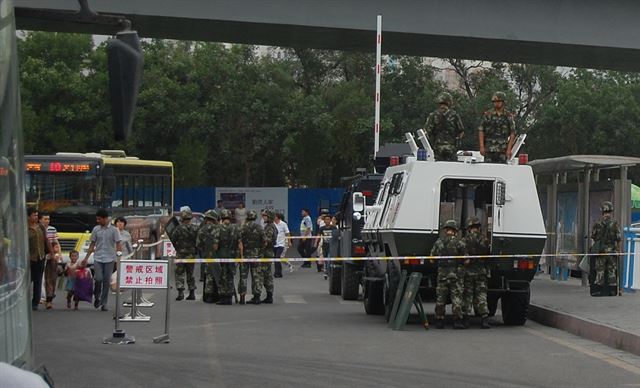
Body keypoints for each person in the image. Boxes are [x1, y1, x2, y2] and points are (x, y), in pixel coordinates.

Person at [80, 209, 123, 311]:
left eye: (100, 219)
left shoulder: (114, 230)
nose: (98, 221)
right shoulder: (96, 229)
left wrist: (118, 258)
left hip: (110, 258)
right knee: (98, 278)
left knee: (107, 281)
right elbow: (92, 244)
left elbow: (118, 244)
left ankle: (104, 302)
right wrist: (86, 258)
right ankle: (97, 295)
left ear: (105, 218)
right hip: (98, 257)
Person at [431, 219, 466, 329]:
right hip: (455, 275)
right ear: (455, 230)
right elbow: (466, 260)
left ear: (446, 230)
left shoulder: (439, 242)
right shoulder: (459, 243)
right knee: (456, 298)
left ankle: (439, 320)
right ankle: (457, 321)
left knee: (441, 298)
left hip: (442, 275)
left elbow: (432, 258)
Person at [462, 217, 491, 329]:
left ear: (469, 228)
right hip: (481, 271)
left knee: (468, 295)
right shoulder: (485, 240)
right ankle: (484, 319)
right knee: (481, 295)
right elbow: (488, 255)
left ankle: (466, 320)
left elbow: (462, 255)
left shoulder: (465, 240)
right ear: (479, 227)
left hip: (469, 271)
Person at [591, 201, 622, 296]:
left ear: (602, 211)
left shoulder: (598, 223)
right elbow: (619, 238)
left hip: (601, 251)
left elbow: (593, 236)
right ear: (611, 210)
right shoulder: (615, 223)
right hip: (612, 251)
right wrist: (618, 250)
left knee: (600, 270)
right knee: (612, 270)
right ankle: (612, 291)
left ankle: (598, 291)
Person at [424, 92, 465, 161]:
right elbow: (461, 131)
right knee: (451, 167)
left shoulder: (433, 115)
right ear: (449, 102)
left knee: (439, 167)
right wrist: (457, 141)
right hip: (451, 147)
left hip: (438, 147)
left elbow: (427, 131)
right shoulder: (454, 115)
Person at [478, 91, 516, 163]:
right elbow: (481, 130)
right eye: (494, 101)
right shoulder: (488, 115)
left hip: (502, 149)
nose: (496, 103)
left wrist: (509, 149)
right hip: (489, 148)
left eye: (498, 101)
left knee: (501, 171)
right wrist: (482, 146)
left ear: (503, 102)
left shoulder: (508, 116)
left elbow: (512, 133)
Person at [27, 208, 53, 311]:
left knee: (38, 280)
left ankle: (35, 302)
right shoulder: (24, 228)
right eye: (34, 215)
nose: (36, 217)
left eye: (37, 215)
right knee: (28, 280)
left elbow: (46, 240)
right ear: (29, 217)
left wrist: (51, 252)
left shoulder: (41, 227)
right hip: (28, 258)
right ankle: (24, 300)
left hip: (40, 257)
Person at [170, 208, 198, 301]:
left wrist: (178, 247)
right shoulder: (195, 228)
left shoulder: (178, 228)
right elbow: (198, 241)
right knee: (191, 273)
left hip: (181, 254)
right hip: (191, 254)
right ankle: (192, 293)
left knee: (179, 273)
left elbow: (173, 240)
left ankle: (181, 293)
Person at [213, 209, 240, 305]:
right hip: (232, 255)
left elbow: (215, 245)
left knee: (223, 276)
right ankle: (230, 296)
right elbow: (239, 242)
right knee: (230, 275)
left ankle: (224, 297)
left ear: (222, 218)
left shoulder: (218, 228)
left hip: (222, 255)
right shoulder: (236, 228)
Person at [239, 210, 266, 305]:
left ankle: (242, 297)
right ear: (255, 217)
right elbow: (265, 242)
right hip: (256, 255)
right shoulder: (259, 227)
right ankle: (257, 297)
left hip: (245, 255)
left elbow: (239, 242)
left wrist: (241, 255)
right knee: (256, 276)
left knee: (243, 277)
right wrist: (260, 251)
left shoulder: (243, 227)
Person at [198, 210, 220, 303]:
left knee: (208, 275)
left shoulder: (202, 229)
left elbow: (198, 244)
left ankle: (208, 296)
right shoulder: (219, 228)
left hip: (207, 255)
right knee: (218, 274)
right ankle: (218, 295)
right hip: (217, 256)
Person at [39, 212, 60, 309]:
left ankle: (49, 298)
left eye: (48, 219)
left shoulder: (52, 229)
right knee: (40, 278)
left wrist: (58, 254)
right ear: (40, 219)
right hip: (40, 256)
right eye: (45, 219)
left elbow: (56, 242)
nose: (47, 221)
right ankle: (40, 296)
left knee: (51, 278)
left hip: (51, 256)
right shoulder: (37, 228)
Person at [258, 210, 278, 304]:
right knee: (267, 274)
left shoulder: (270, 227)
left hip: (266, 253)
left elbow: (267, 240)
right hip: (267, 253)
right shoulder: (268, 226)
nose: (263, 217)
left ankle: (265, 295)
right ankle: (269, 296)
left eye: (265, 216)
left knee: (264, 274)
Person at [317, 214, 337, 279]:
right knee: (325, 260)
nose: (327, 221)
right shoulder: (322, 228)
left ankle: (328, 272)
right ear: (324, 221)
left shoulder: (333, 228)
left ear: (330, 220)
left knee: (329, 259)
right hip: (324, 246)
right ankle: (326, 272)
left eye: (328, 219)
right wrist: (315, 243)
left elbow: (336, 236)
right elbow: (318, 236)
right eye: (326, 219)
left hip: (332, 246)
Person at [273, 212, 291, 277]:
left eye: (274, 216)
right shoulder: (272, 224)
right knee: (275, 258)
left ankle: (278, 272)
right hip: (274, 243)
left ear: (278, 217)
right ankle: (277, 272)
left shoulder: (283, 224)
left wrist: (289, 241)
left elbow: (287, 233)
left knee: (277, 257)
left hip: (281, 244)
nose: (273, 217)